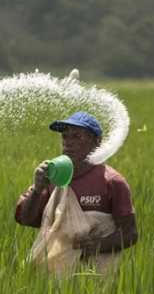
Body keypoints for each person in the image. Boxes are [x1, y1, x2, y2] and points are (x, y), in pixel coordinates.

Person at [15, 111, 138, 260]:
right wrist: (37, 189)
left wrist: (97, 245)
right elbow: (26, 219)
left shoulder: (112, 182)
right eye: (65, 136)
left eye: (77, 136)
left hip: (96, 275)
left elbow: (130, 234)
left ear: (97, 142)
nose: (68, 142)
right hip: (54, 273)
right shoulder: (53, 177)